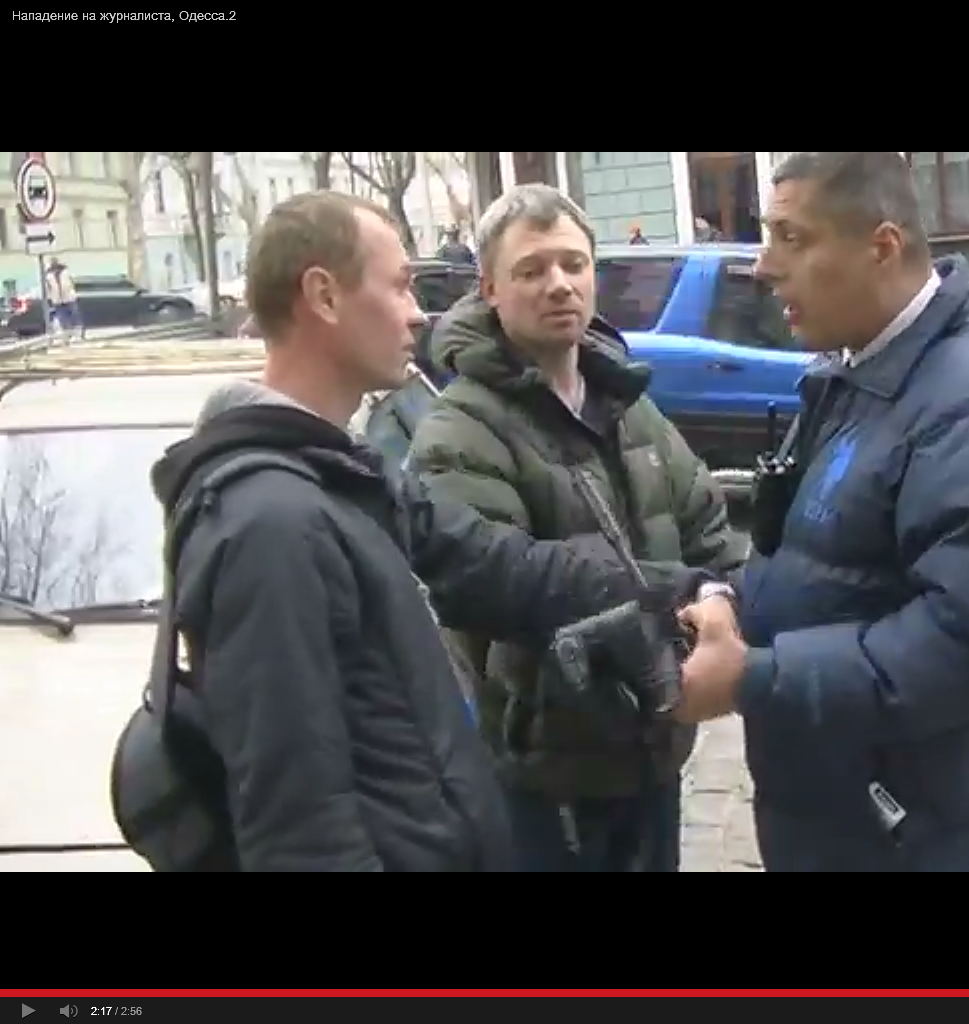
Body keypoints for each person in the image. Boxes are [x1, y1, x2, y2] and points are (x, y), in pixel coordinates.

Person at [149, 190, 712, 872]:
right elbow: (298, 826)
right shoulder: (270, 523)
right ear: (324, 296)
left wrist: (687, 591)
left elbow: (498, 565)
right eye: (399, 285)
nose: (418, 311)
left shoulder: (336, 474)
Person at [674, 152, 969, 872]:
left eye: (792, 237)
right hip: (849, 821)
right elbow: (826, 562)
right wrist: (730, 603)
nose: (764, 267)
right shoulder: (858, 366)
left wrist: (752, 678)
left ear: (882, 247)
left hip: (930, 842)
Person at [407, 183, 747, 872]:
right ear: (490, 289)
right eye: (531, 270)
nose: (559, 284)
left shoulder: (630, 406)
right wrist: (671, 592)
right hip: (547, 781)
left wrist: (720, 606)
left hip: (655, 751)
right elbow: (494, 580)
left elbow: (709, 531)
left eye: (573, 264)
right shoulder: (459, 429)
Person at [45, 258, 83, 337]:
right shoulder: (48, 275)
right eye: (52, 263)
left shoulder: (65, 272)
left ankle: (78, 331)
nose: (54, 264)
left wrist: (73, 292)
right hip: (57, 299)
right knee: (62, 317)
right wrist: (51, 297)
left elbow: (72, 282)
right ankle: (67, 333)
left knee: (74, 314)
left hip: (69, 297)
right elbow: (48, 287)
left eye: (55, 262)